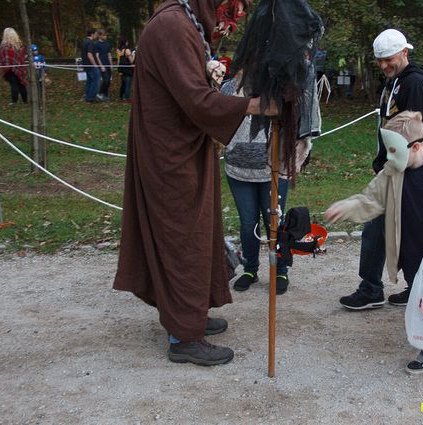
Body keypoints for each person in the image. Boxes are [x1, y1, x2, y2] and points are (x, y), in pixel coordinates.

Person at [113, 0, 275, 367]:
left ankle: (188, 317)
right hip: (170, 158)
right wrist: (253, 106)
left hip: (183, 150)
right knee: (182, 239)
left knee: (198, 235)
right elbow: (196, 100)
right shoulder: (172, 25)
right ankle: (184, 337)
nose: (232, 14)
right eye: (229, 6)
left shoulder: (185, 22)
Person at [324, 110, 423, 381]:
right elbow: (372, 200)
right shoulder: (392, 173)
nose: (390, 157)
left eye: (394, 150)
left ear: (417, 146)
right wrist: (347, 207)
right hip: (416, 255)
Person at [338, 29, 423, 311]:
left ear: (405, 52)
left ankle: (374, 289)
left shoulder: (414, 83)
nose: (383, 66)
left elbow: (416, 131)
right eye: (379, 60)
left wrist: (397, 169)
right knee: (393, 232)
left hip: (406, 170)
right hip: (393, 167)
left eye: (388, 59)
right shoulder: (395, 82)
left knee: (385, 230)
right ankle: (410, 287)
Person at [222, 70, 317, 295]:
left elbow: (296, 113)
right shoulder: (228, 88)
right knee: (248, 225)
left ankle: (280, 270)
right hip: (238, 169)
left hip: (271, 169)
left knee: (275, 222)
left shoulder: (278, 87)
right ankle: (250, 269)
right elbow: (218, 116)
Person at [0, 28, 28, 105]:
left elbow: (2, 57)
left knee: (14, 84)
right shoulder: (19, 45)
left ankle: (14, 102)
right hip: (19, 67)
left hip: (9, 69)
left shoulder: (4, 46)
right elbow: (22, 56)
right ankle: (25, 101)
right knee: (21, 83)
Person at [81, 29, 100, 103]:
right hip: (91, 65)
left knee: (89, 81)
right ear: (92, 34)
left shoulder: (84, 41)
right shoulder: (90, 43)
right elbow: (89, 54)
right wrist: (95, 65)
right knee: (95, 81)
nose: (96, 35)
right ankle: (91, 98)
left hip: (86, 65)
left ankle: (87, 96)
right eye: (95, 34)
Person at [95, 29, 113, 101]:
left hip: (108, 64)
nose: (105, 36)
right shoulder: (96, 44)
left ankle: (105, 95)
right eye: (104, 35)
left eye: (106, 35)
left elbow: (109, 55)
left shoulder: (107, 44)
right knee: (106, 80)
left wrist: (111, 65)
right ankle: (100, 93)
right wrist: (101, 66)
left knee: (108, 81)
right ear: (100, 36)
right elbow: (97, 56)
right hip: (102, 65)